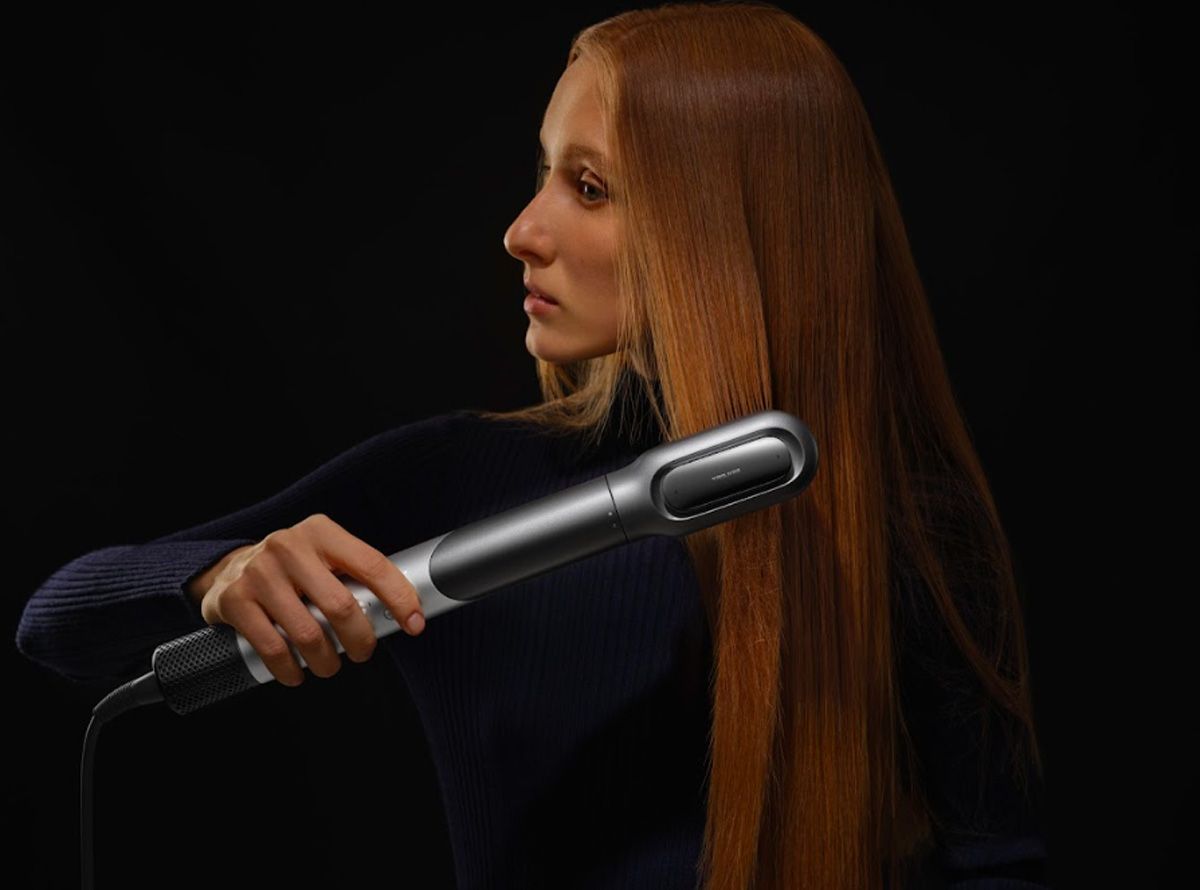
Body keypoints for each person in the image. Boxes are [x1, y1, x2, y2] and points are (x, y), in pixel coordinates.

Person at [15, 3, 1050, 888]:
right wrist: (216, 576)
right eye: (543, 172)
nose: (521, 231)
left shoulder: (910, 524)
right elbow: (57, 621)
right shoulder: (451, 481)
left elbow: (999, 861)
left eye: (589, 188)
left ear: (727, 227)